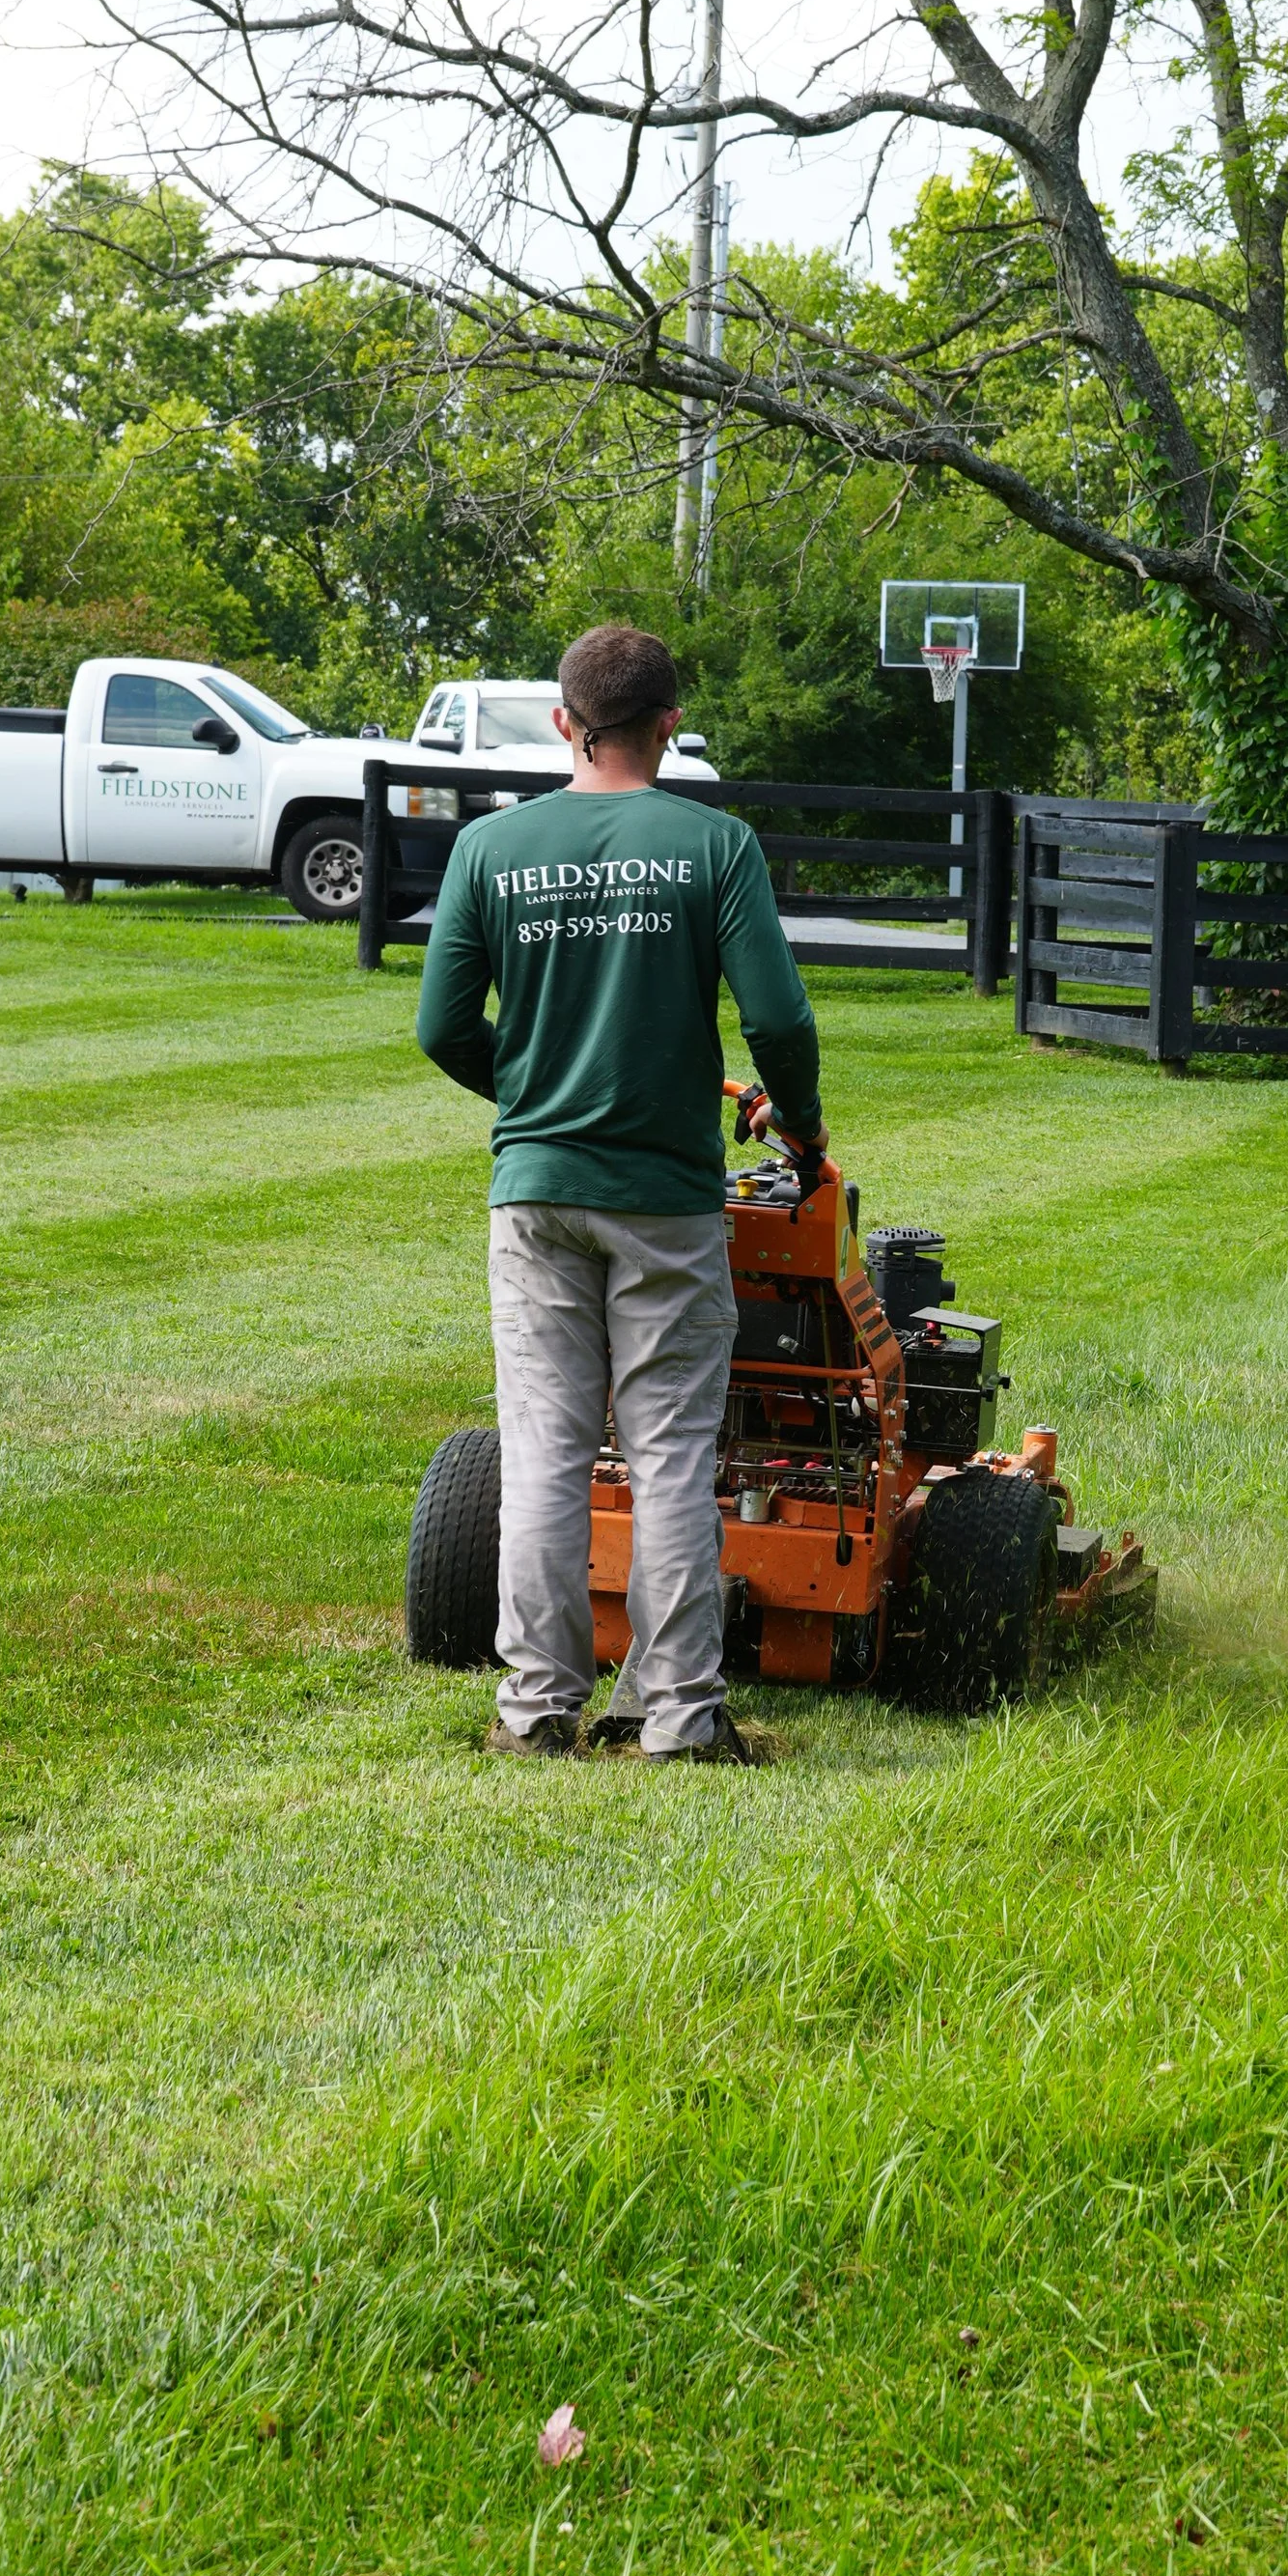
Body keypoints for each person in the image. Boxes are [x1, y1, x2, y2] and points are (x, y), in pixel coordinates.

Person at [414, 622, 826, 1764]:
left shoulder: (492, 853)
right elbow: (779, 1018)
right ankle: (678, 1718)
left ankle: (536, 1710)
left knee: (545, 1452)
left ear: (563, 723)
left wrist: (534, 1089)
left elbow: (440, 1026)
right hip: (666, 1197)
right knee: (671, 1455)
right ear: (669, 727)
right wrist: (798, 1122)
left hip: (536, 1190)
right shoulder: (714, 846)